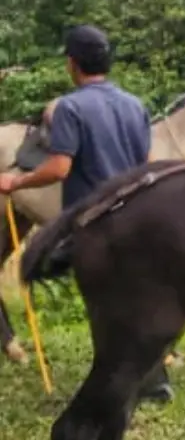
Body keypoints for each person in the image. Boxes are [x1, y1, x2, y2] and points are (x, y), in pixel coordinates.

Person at [0, 26, 169, 402]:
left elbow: (59, 168)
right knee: (137, 295)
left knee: (104, 304)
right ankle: (154, 381)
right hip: (133, 214)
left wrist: (17, 182)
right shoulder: (134, 105)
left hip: (94, 221)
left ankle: (118, 384)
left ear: (72, 65)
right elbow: (144, 164)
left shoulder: (71, 107)